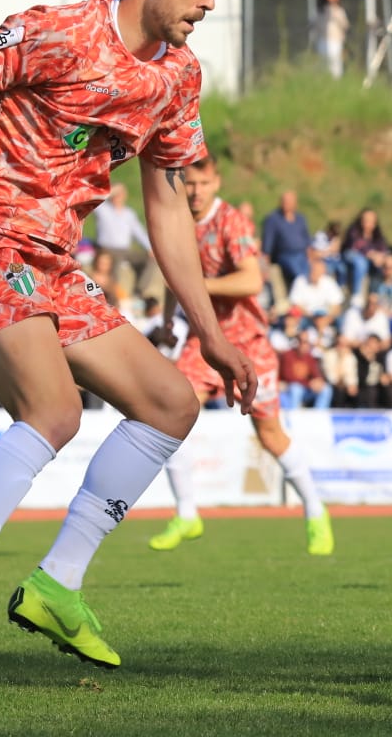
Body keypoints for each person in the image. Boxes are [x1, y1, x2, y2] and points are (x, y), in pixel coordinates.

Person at [0, 0, 257, 689]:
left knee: (169, 403)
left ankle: (58, 584)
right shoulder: (56, 31)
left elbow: (167, 208)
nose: (210, 2)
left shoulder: (177, 78)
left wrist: (212, 333)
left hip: (53, 261)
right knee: (53, 411)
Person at [148, 154, 333, 557]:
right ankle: (186, 513)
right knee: (169, 414)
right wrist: (167, 320)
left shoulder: (232, 221)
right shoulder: (175, 220)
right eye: (189, 184)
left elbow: (251, 279)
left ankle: (316, 511)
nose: (195, 191)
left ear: (216, 182)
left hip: (247, 341)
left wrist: (197, 286)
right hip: (203, 340)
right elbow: (172, 277)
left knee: (270, 435)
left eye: (202, 183)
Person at [91, 182, 153, 297]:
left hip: (125, 250)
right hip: (107, 249)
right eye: (117, 194)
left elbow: (139, 232)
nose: (119, 196)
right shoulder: (103, 209)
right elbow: (95, 199)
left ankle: (138, 294)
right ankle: (112, 297)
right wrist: (113, 190)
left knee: (148, 260)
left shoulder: (129, 214)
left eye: (121, 193)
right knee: (114, 264)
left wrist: (150, 248)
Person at [261, 190, 311, 292]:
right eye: (284, 201)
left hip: (302, 255)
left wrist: (311, 258)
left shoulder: (300, 219)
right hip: (284, 255)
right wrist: (264, 265)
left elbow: (307, 240)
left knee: (313, 271)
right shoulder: (273, 219)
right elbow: (267, 245)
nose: (286, 203)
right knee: (299, 275)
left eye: (289, 201)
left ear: (295, 203)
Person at [340, 207, 392, 306]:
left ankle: (374, 294)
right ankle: (356, 294)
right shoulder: (353, 230)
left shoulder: (377, 234)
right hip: (351, 256)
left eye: (372, 221)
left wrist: (381, 256)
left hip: (370, 260)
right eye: (366, 220)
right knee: (361, 262)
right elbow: (357, 245)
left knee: (381, 265)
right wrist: (372, 255)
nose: (369, 224)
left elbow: (383, 247)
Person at [310, 0, 350, 79]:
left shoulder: (338, 10)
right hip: (323, 43)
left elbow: (345, 26)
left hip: (337, 43)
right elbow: (313, 26)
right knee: (324, 70)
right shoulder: (320, 12)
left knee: (336, 71)